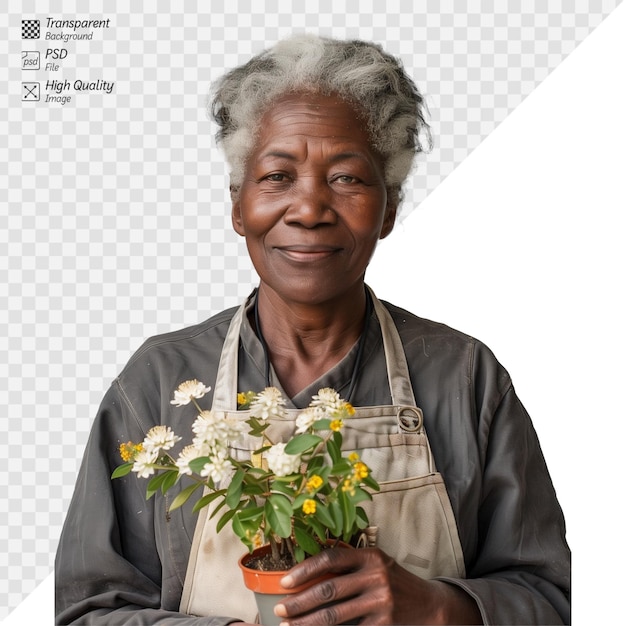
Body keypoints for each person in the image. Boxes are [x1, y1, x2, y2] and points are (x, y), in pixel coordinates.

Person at [55, 35, 570, 625]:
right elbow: (89, 611)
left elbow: (552, 599)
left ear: (390, 207)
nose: (309, 208)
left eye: (347, 178)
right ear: (237, 205)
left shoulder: (464, 378)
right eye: (277, 176)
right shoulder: (159, 383)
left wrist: (438, 607)